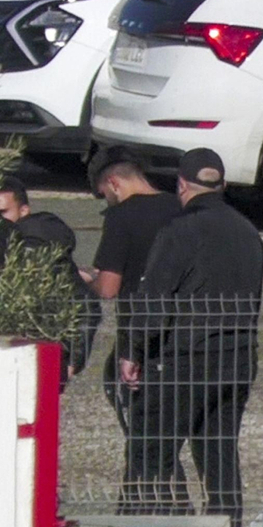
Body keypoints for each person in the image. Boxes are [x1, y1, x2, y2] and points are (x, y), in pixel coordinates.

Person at [120, 148, 263, 527]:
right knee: (220, 457)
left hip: (186, 359)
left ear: (182, 185)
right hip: (236, 357)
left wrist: (134, 349)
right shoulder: (248, 232)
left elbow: (155, 299)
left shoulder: (180, 231)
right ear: (223, 185)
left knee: (153, 454)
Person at [88, 148, 183, 438]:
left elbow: (108, 288)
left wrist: (88, 280)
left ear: (114, 183)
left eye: (104, 193)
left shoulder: (120, 216)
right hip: (184, 329)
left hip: (138, 334)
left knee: (141, 427)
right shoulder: (179, 206)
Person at [0, 176, 101, 385]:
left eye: (3, 213)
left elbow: (83, 304)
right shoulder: (5, 243)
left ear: (24, 211)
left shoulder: (37, 244)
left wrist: (72, 361)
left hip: (44, 350)